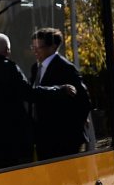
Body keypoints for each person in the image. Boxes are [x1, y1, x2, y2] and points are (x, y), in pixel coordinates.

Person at [30, 27, 91, 160]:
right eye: (32, 47)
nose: (34, 51)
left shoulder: (65, 68)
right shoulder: (36, 68)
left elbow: (84, 101)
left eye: (38, 47)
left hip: (63, 139)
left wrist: (73, 128)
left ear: (52, 47)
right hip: (43, 137)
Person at [0, 33, 35, 169]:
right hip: (12, 136)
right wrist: (58, 90)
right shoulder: (10, 68)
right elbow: (29, 93)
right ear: (8, 50)